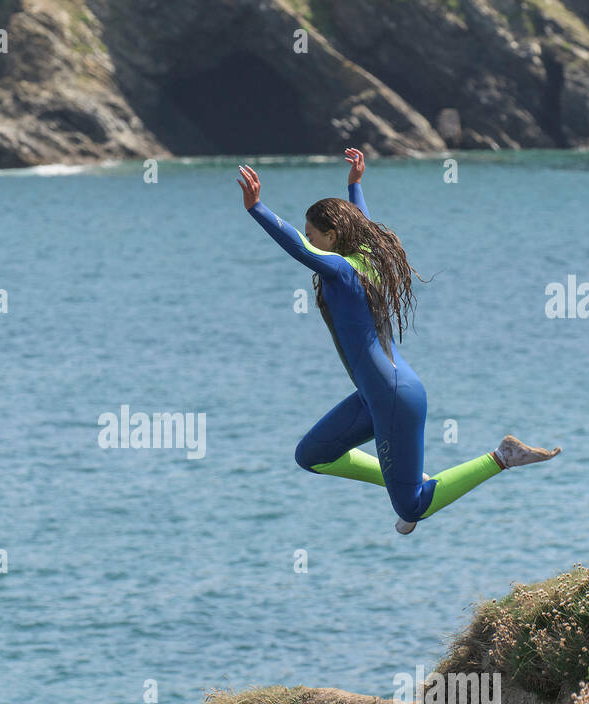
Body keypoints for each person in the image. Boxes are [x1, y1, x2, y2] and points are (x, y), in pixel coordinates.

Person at [236, 150, 560, 534]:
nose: (311, 242)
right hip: (378, 395)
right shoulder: (367, 258)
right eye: (309, 236)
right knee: (312, 455)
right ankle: (409, 479)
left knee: (414, 507)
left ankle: (502, 457)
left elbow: (299, 249)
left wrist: (257, 209)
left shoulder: (340, 269)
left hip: (391, 397)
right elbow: (365, 226)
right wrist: (355, 185)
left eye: (315, 235)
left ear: (333, 236)